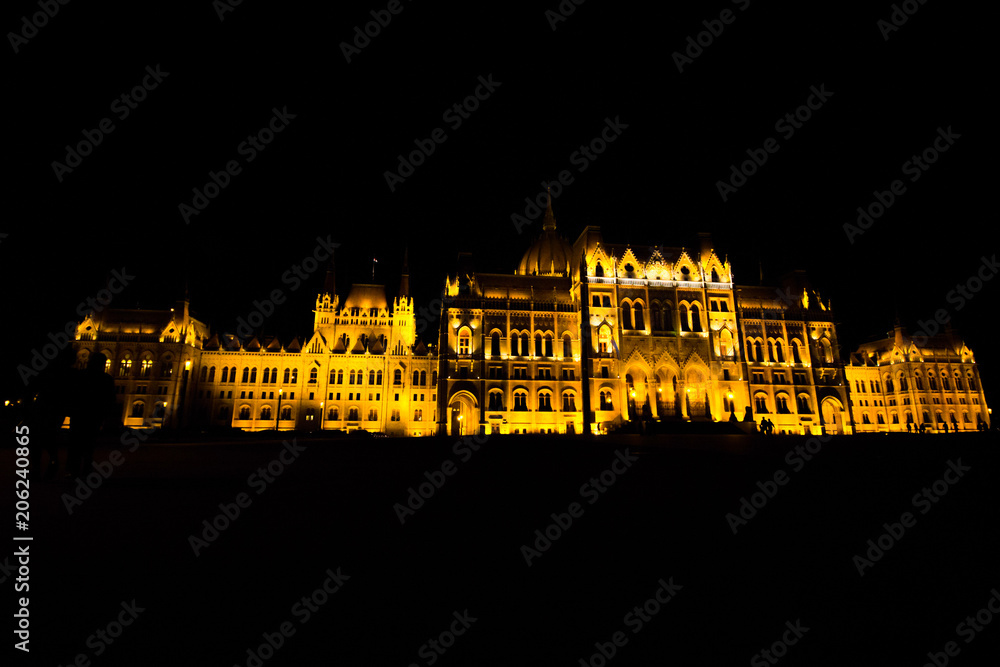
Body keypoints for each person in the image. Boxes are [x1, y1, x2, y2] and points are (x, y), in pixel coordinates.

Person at [66, 352, 117, 477]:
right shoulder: (106, 379)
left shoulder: (80, 375)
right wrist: (106, 416)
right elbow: (110, 400)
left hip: (79, 415)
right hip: (94, 416)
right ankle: (85, 470)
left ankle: (73, 470)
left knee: (75, 443)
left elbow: (71, 394)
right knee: (89, 444)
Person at [30, 346, 77, 479]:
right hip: (58, 410)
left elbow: (34, 388)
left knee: (38, 438)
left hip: (44, 407)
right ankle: (52, 462)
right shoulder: (72, 374)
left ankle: (38, 467)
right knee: (50, 438)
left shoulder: (48, 371)